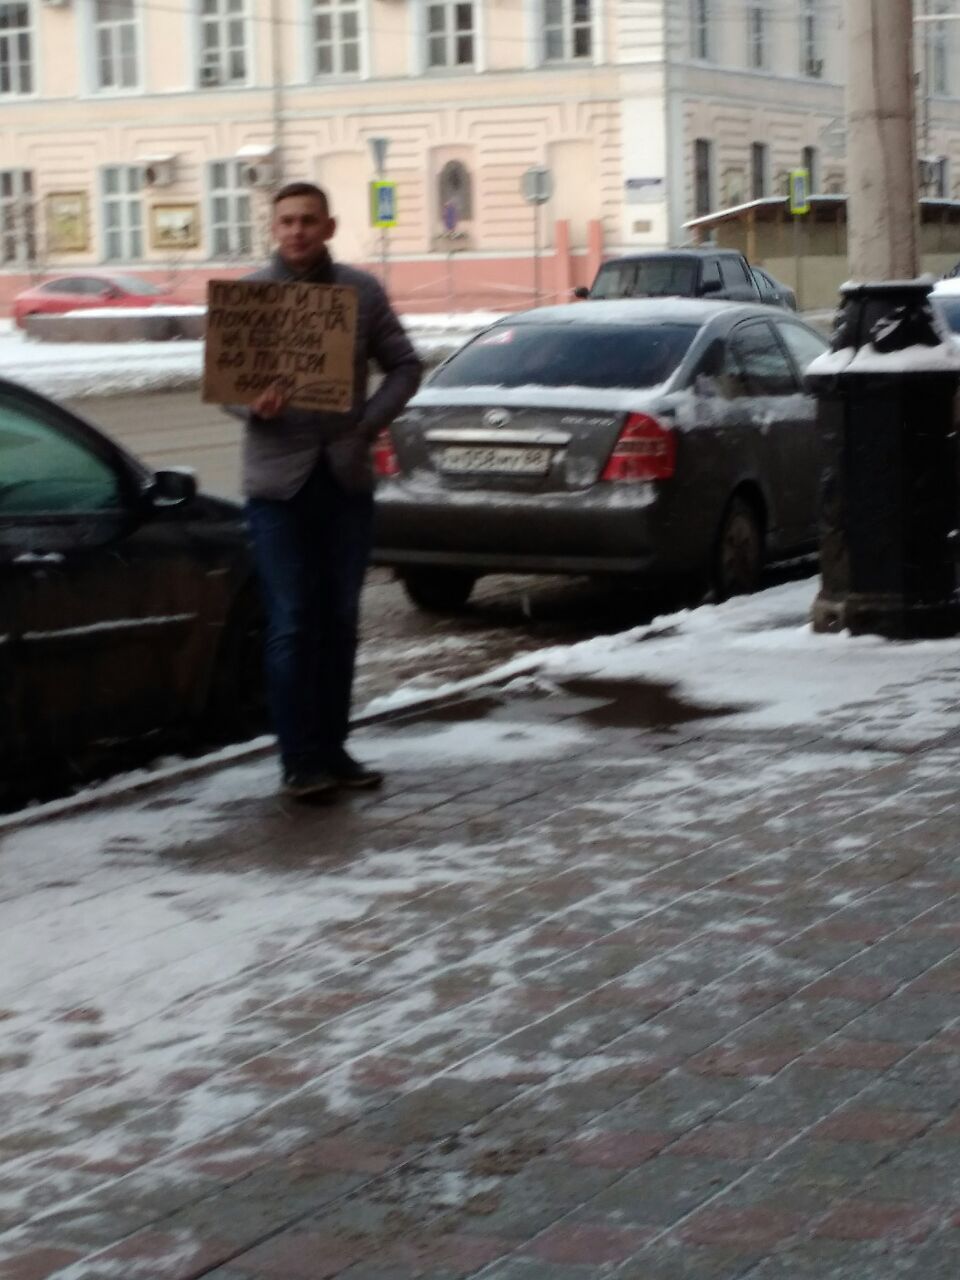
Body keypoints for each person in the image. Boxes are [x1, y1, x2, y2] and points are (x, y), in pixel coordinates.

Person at [240, 182, 422, 800]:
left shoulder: (361, 292)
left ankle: (333, 747)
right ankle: (299, 760)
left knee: (340, 622)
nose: (296, 231)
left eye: (308, 221)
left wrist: (367, 423)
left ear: (329, 226)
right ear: (274, 227)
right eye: (286, 221)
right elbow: (224, 380)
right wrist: (251, 406)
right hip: (276, 488)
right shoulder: (251, 298)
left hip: (344, 480)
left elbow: (405, 365)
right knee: (292, 621)